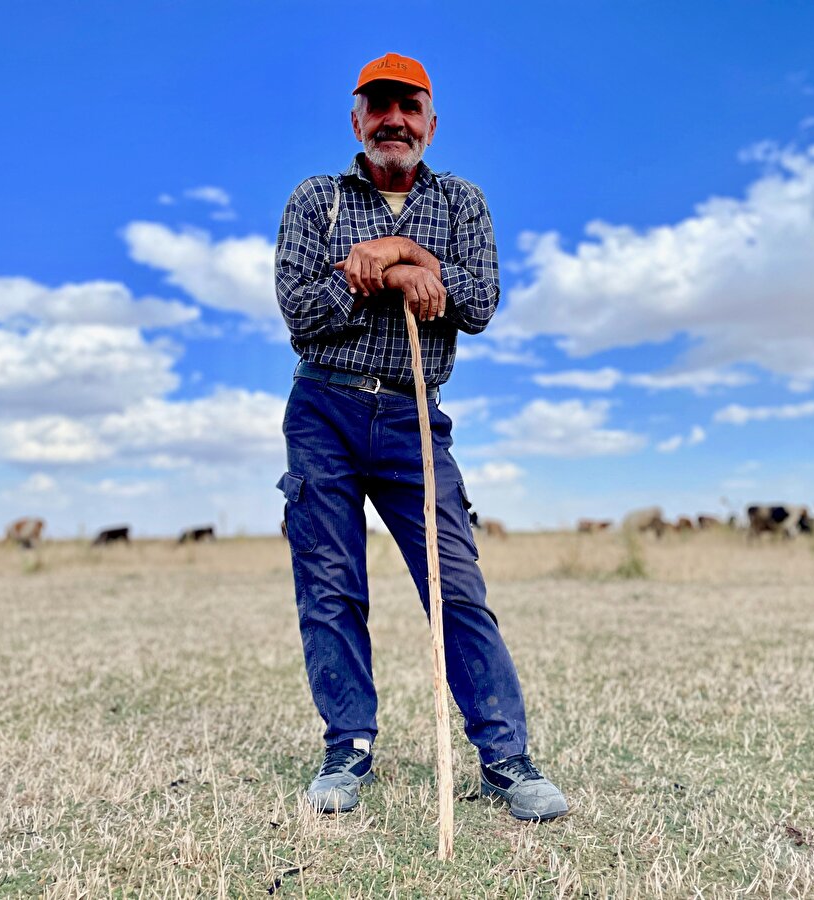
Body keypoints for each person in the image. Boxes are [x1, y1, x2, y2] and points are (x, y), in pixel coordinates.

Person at [274, 52, 568, 822]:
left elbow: (479, 300)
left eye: (409, 108)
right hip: (325, 411)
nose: (394, 121)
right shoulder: (318, 199)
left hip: (413, 413)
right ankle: (348, 750)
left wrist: (400, 255)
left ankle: (505, 759)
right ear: (357, 121)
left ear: (431, 123)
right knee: (331, 587)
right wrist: (373, 273)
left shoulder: (462, 201)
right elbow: (300, 312)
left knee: (455, 584)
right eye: (379, 108)